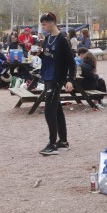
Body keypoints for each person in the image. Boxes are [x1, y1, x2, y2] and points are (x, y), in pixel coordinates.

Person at [37, 12, 76, 156]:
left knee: (49, 110)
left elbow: (71, 63)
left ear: (52, 22)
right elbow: (49, 58)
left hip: (56, 78)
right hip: (47, 76)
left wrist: (70, 80)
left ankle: (52, 143)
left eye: (45, 24)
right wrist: (40, 54)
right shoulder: (47, 39)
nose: (43, 27)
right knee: (57, 109)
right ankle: (63, 141)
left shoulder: (62, 40)